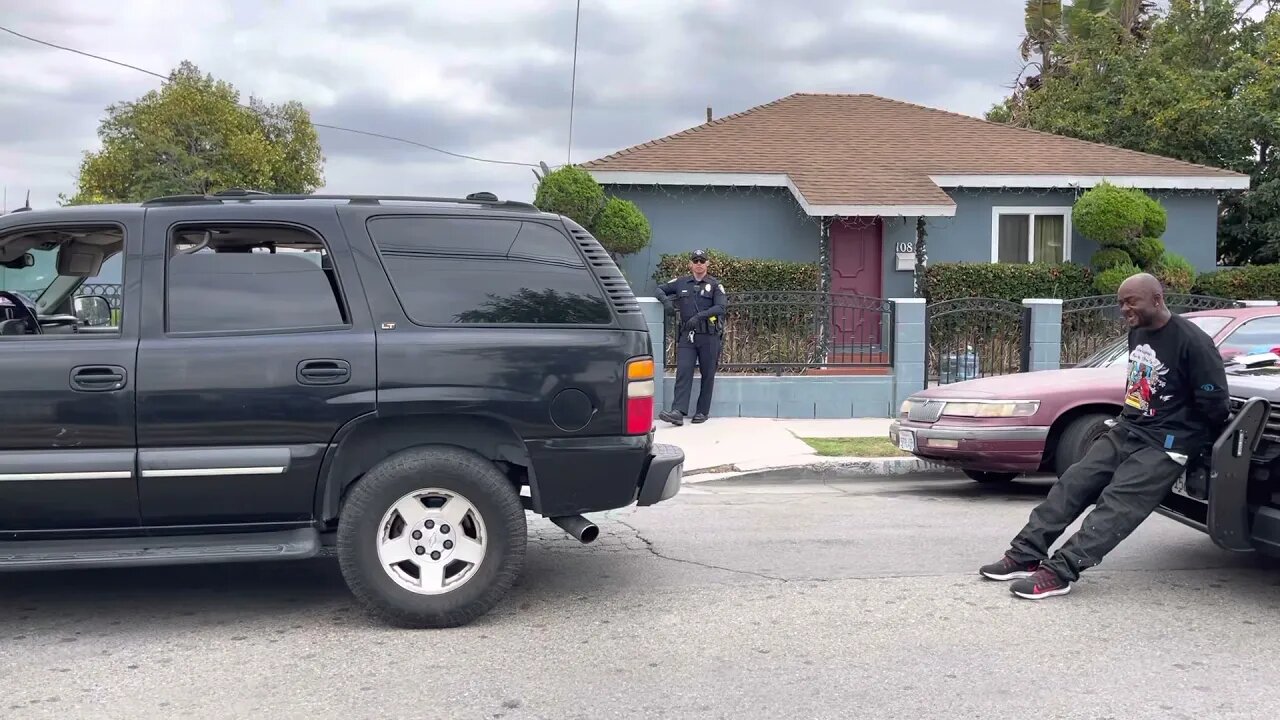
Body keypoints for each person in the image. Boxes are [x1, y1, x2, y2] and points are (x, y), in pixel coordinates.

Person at [979, 272, 1230, 599]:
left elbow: (1215, 403)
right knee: (1073, 483)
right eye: (1121, 303)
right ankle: (1024, 555)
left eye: (1131, 301)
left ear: (1157, 299)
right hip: (1130, 426)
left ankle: (1060, 572)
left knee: (1117, 505)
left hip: (1167, 443)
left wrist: (1187, 441)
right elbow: (1140, 383)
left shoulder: (1193, 342)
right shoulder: (1138, 333)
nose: (1125, 309)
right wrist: (1129, 417)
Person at [654, 249, 726, 426]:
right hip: (688, 336)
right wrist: (666, 303)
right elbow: (659, 289)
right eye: (696, 260)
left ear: (707, 264)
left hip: (709, 336)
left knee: (707, 374)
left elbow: (720, 307)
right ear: (691, 264)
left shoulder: (715, 285)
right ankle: (678, 412)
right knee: (683, 371)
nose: (699, 263)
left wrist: (699, 317)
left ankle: (702, 411)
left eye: (702, 260)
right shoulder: (681, 283)